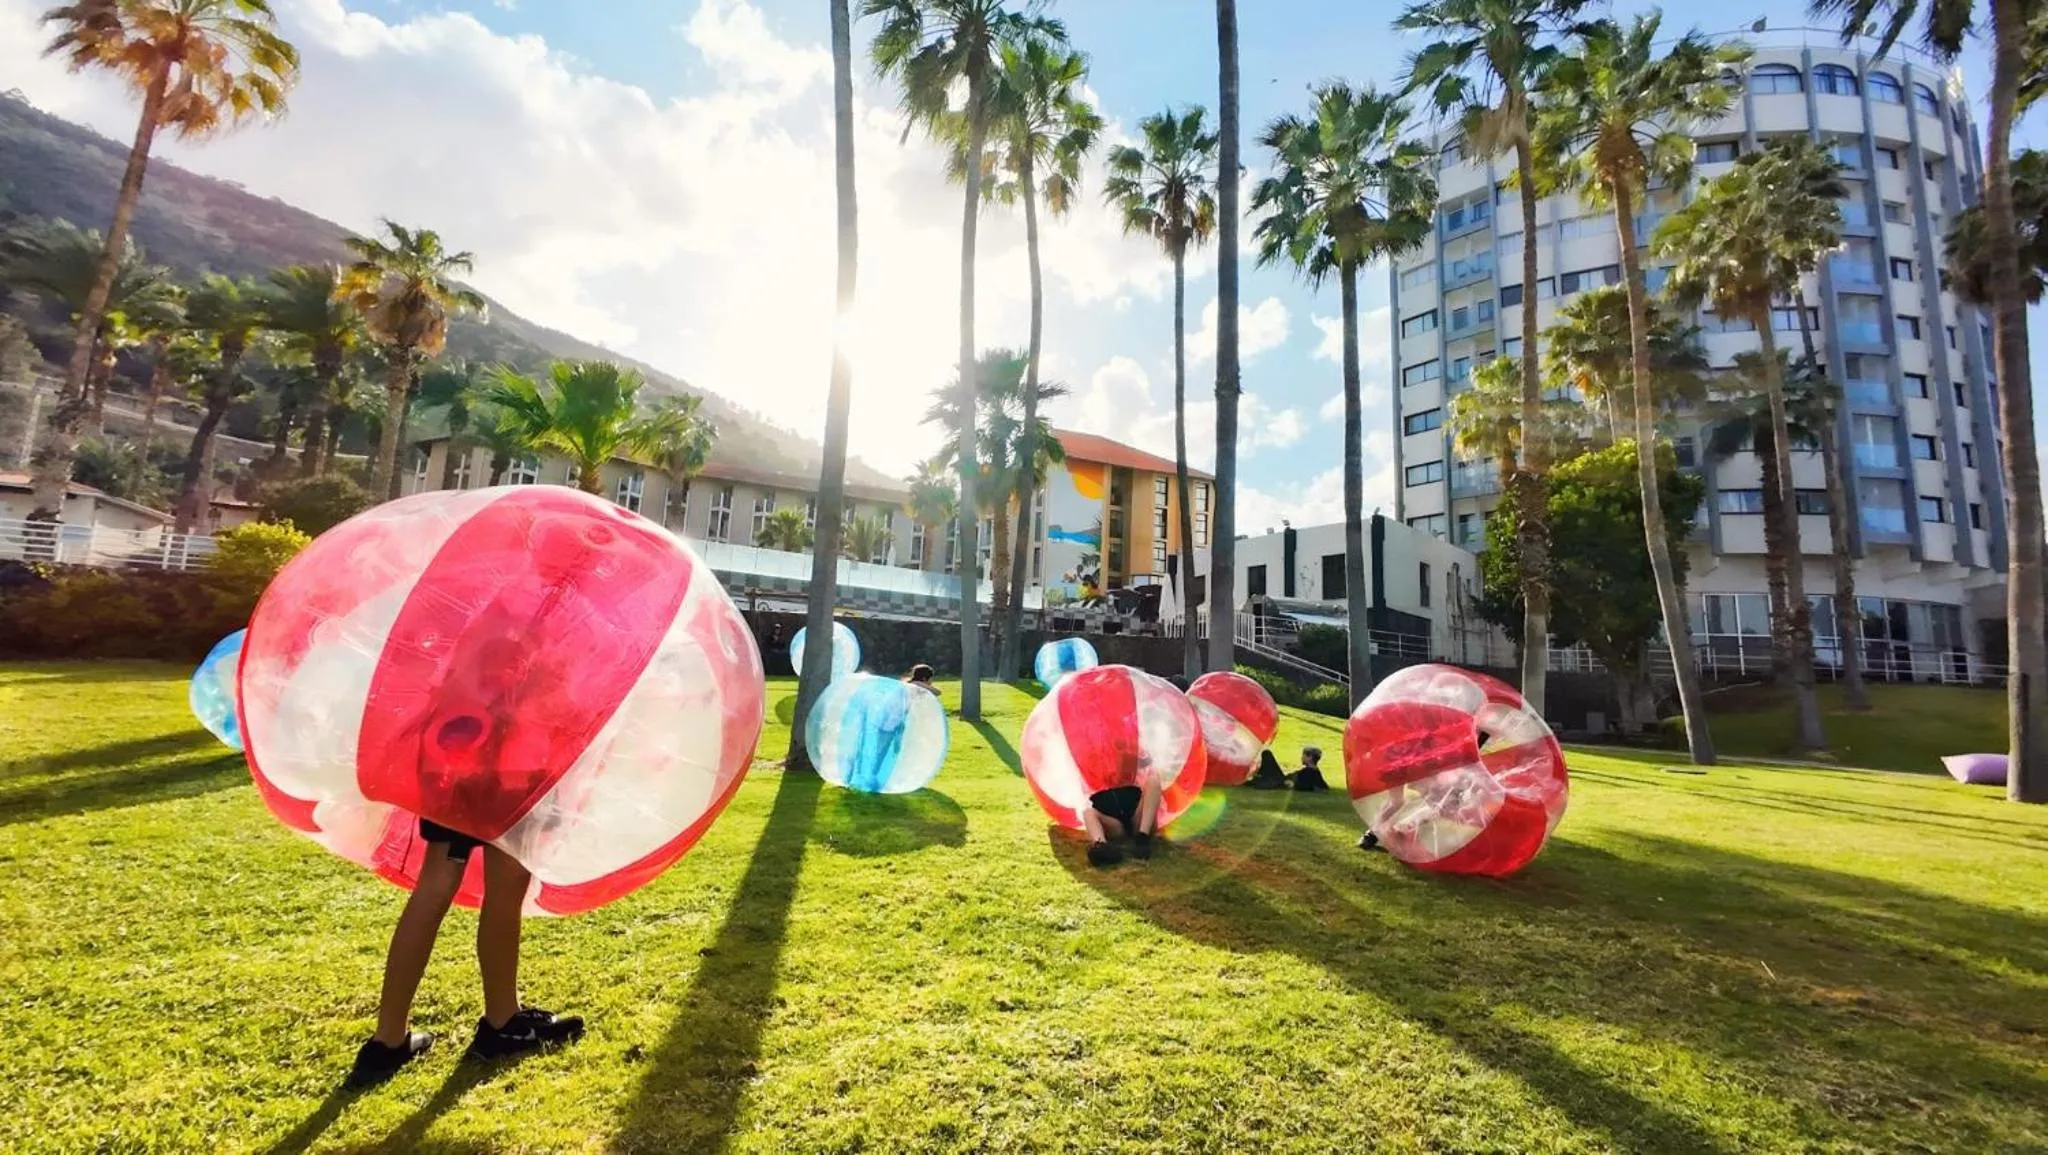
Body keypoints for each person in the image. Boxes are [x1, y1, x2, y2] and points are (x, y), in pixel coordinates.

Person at [345, 822, 585, 1089]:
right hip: (506, 784)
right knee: (506, 883)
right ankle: (502, 1019)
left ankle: (387, 1040)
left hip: (446, 782)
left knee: (434, 884)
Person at [1083, 774, 1162, 867]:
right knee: (1088, 812)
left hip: (1138, 817)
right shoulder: (1092, 769)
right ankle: (1101, 846)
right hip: (1114, 823)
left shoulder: (1137, 764)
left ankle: (1143, 838)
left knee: (1154, 781)